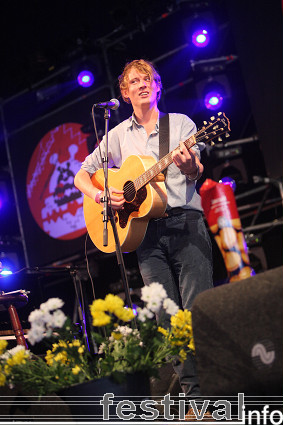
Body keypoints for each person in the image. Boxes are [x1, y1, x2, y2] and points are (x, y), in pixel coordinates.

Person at [74, 59, 213, 419]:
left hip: (185, 225)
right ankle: (196, 403)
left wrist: (188, 167)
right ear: (124, 92)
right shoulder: (117, 134)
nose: (141, 84)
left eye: (147, 78)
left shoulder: (179, 124)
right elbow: (81, 176)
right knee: (166, 322)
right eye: (133, 81)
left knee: (199, 312)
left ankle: (218, 393)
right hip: (144, 236)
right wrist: (103, 196)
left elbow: (196, 169)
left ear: (158, 85)